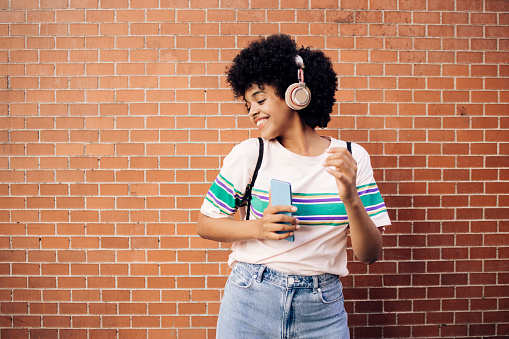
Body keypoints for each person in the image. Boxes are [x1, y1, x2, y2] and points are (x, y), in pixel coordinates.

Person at [196, 34, 391, 339]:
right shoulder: (251, 154)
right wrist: (259, 228)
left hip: (322, 308)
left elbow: (369, 255)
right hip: (249, 299)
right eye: (248, 105)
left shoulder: (351, 158)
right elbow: (205, 224)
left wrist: (351, 198)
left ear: (295, 93)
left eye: (260, 99)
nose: (252, 112)